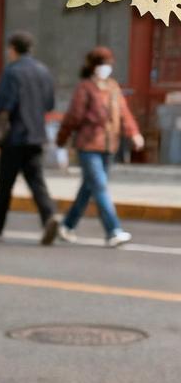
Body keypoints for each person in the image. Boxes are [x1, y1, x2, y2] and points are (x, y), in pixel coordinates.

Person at [55, 45, 144, 247]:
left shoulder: (113, 87)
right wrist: (61, 141)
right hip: (88, 145)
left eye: (108, 64)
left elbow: (124, 112)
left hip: (108, 145)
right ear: (94, 66)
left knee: (88, 188)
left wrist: (134, 133)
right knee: (100, 186)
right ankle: (113, 230)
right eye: (102, 64)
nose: (106, 68)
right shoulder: (85, 88)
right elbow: (73, 117)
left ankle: (67, 226)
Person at [0, 32, 60, 243]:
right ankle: (49, 215)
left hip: (14, 136)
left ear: (13, 49)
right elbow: (49, 104)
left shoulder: (12, 72)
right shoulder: (43, 71)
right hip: (36, 135)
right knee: (37, 181)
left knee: (4, 184)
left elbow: (3, 105)